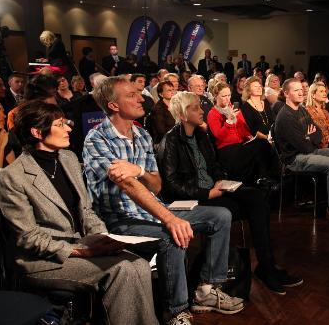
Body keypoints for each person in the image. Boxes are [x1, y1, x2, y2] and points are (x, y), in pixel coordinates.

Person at [83, 76, 244, 324]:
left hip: (153, 211)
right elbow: (127, 185)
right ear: (113, 105)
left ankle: (206, 290)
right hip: (121, 221)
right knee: (171, 236)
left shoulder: (142, 135)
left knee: (220, 215)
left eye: (139, 93)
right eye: (131, 95)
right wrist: (169, 218)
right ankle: (176, 311)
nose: (141, 98)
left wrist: (137, 171)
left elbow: (156, 185)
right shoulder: (97, 138)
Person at [0, 101, 157, 324]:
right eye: (60, 124)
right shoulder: (12, 177)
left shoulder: (69, 159)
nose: (69, 129)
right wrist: (85, 252)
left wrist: (103, 238)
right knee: (122, 269)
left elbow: (86, 211)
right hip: (42, 260)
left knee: (139, 264)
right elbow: (28, 238)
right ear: (37, 132)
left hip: (83, 244)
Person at [158, 91, 302, 295]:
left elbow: (214, 163)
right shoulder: (171, 141)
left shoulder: (200, 134)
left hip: (215, 188)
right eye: (196, 108)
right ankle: (232, 273)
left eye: (200, 106)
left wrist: (218, 178)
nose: (202, 111)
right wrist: (207, 193)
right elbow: (172, 184)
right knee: (240, 207)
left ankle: (266, 266)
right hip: (195, 197)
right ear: (182, 115)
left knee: (257, 198)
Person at [274, 78, 329, 225]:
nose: (300, 92)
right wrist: (310, 136)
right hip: (295, 159)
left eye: (301, 89)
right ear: (286, 93)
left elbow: (318, 133)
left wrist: (309, 136)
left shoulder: (302, 109)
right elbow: (303, 146)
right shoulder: (285, 116)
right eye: (295, 90)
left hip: (311, 150)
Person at [207, 81, 272, 184]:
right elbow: (219, 135)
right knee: (251, 151)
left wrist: (249, 136)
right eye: (224, 96)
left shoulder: (233, 108)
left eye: (229, 95)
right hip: (226, 147)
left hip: (240, 143)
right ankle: (259, 178)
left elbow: (242, 127)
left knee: (263, 144)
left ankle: (264, 177)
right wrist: (228, 121)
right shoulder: (212, 113)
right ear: (216, 96)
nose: (227, 98)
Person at [240, 76, 275, 141]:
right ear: (249, 90)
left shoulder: (266, 102)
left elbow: (272, 122)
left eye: (260, 86)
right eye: (255, 87)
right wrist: (267, 138)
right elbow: (252, 130)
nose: (259, 88)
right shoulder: (245, 107)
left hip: (272, 137)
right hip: (259, 140)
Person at [147, 80, 177, 145]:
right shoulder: (158, 109)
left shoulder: (177, 105)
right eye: (169, 90)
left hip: (176, 140)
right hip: (164, 142)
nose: (172, 92)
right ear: (161, 94)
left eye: (173, 90)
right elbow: (161, 132)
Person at [0, 101, 17, 167]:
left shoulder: (6, 140)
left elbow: (15, 173)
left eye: (2, 112)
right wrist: (1, 148)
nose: (4, 116)